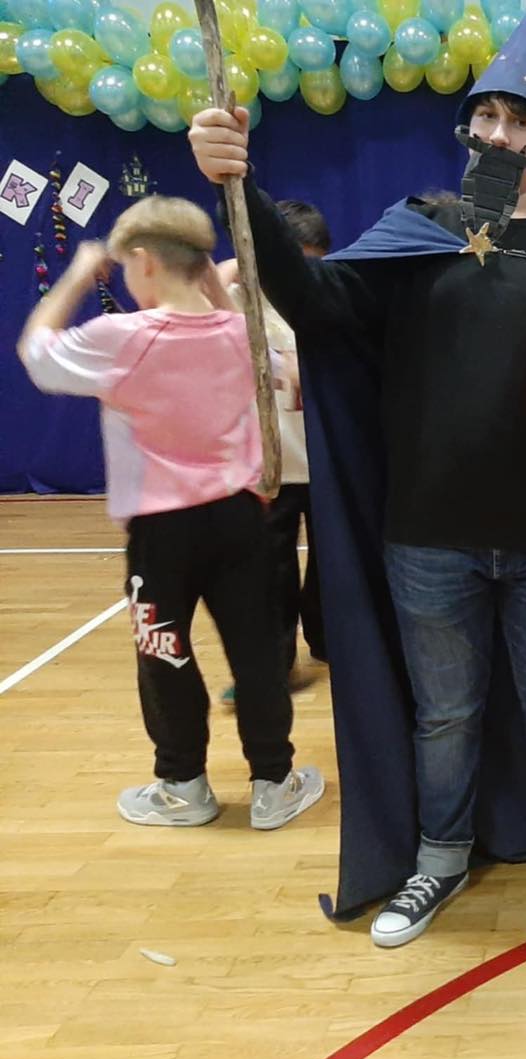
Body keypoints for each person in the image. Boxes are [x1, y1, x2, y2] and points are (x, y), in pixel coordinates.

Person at [188, 0, 526, 948]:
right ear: (466, 130)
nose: (498, 131)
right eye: (486, 115)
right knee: (444, 715)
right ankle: (438, 858)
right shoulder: (415, 232)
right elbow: (313, 301)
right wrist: (237, 186)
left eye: (520, 121)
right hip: (429, 537)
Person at [15, 195, 324, 830]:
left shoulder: (121, 338)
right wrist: (212, 279)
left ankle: (184, 785)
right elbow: (267, 357)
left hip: (161, 533)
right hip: (240, 521)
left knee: (165, 652)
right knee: (257, 653)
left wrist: (78, 275)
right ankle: (273, 782)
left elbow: (37, 352)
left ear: (145, 261)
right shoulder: (240, 333)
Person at [216, 199, 331, 709]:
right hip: (270, 467)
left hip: (324, 462)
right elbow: (203, 287)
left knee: (333, 567)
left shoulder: (326, 296)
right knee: (271, 573)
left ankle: (330, 643)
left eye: (310, 262)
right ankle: (275, 666)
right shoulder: (239, 299)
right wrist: (239, 265)